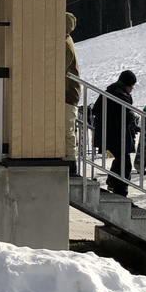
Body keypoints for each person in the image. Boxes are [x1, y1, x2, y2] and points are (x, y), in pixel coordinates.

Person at [92, 69, 137, 194]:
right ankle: (120, 192)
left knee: (121, 160)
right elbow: (127, 115)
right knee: (125, 164)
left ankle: (112, 183)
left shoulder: (109, 92)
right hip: (117, 135)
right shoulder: (121, 95)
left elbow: (95, 110)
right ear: (128, 85)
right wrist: (133, 120)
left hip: (108, 134)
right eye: (132, 86)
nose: (132, 89)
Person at [64, 12, 82, 176]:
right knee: (65, 128)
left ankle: (71, 164)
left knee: (67, 129)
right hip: (68, 92)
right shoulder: (66, 41)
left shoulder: (65, 44)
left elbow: (59, 67)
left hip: (68, 92)